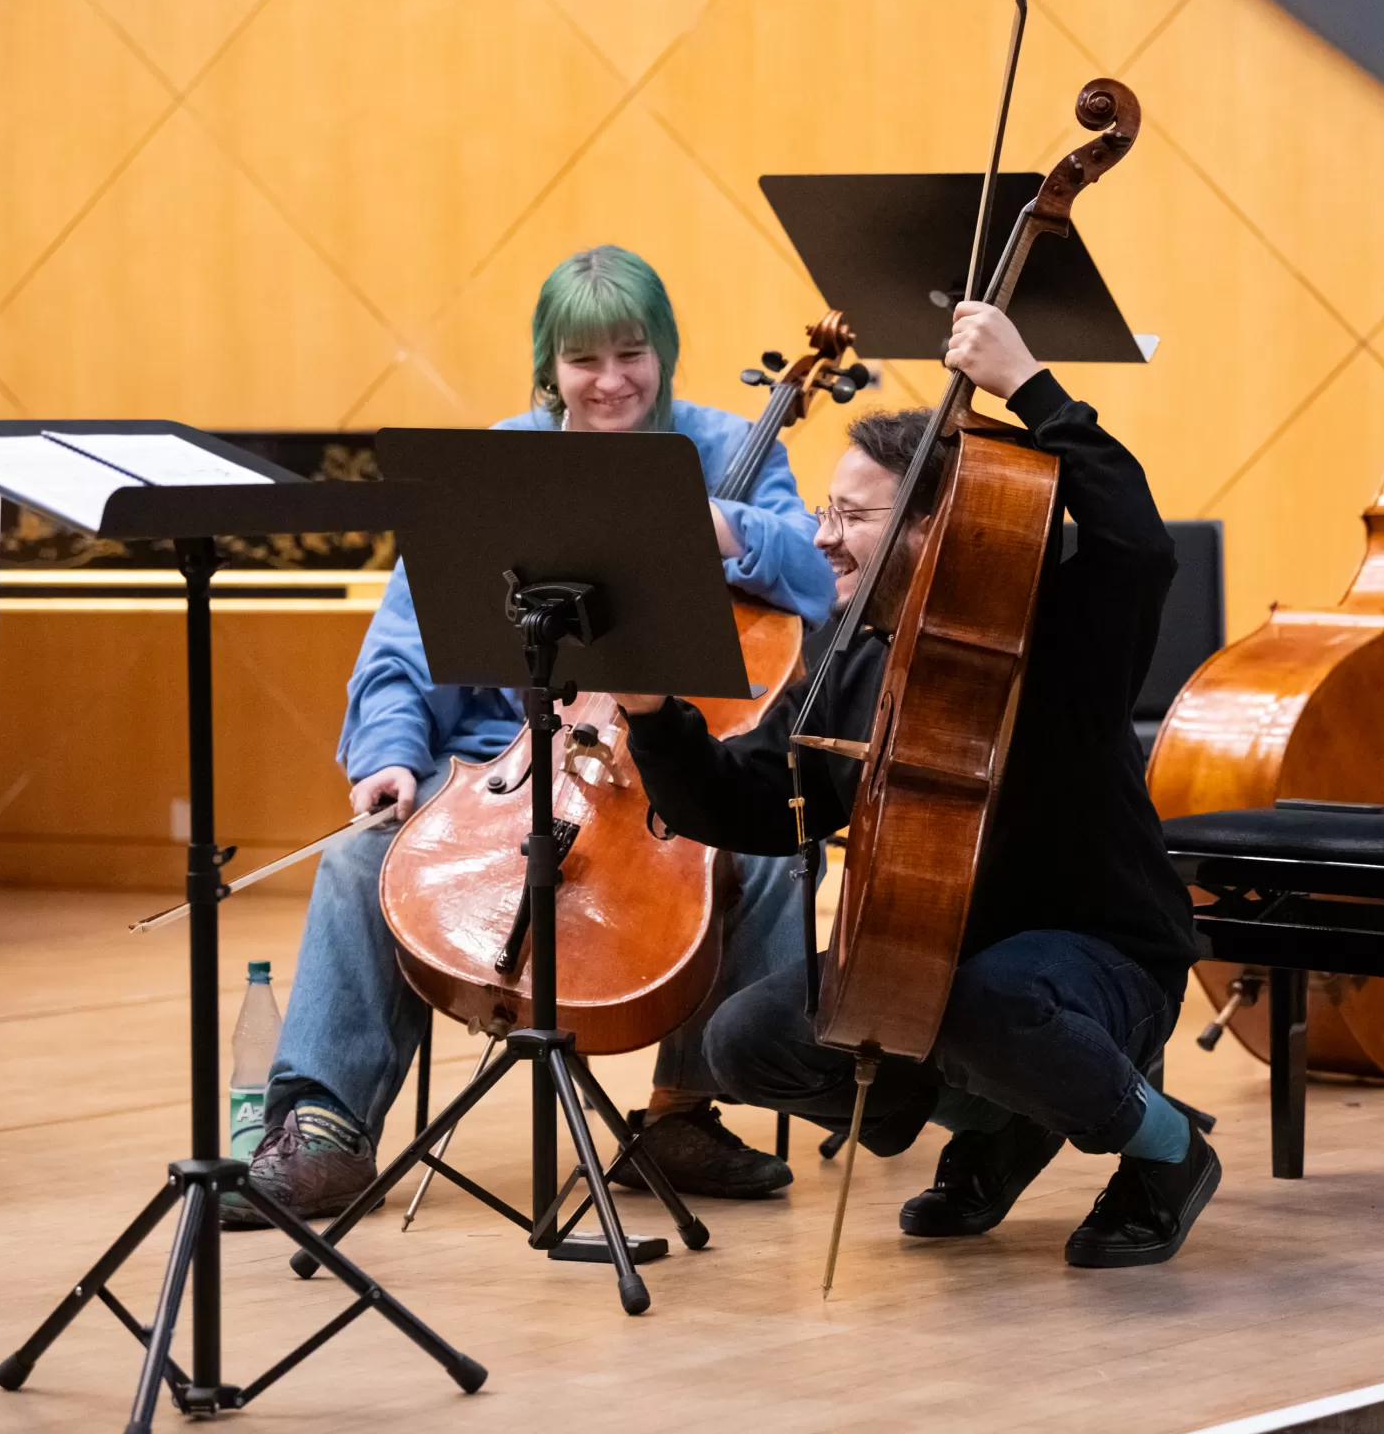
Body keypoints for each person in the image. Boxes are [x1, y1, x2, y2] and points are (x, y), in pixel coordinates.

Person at [224, 245, 835, 1227]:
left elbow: (822, 577)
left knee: (764, 859)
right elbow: (400, 641)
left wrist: (719, 527)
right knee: (360, 860)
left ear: (664, 352)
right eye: (583, 360)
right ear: (547, 366)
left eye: (631, 353)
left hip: (668, 767)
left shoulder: (727, 449)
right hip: (500, 764)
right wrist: (386, 752)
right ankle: (326, 1128)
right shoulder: (496, 463)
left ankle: (687, 1111)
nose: (610, 381)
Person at [613, 302, 1221, 1269]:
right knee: (746, 1040)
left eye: (852, 516)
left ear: (935, 524)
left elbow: (1140, 547)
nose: (819, 540)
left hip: (1105, 960)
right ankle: (1008, 1121)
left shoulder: (1059, 632)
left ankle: (1166, 1150)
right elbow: (757, 802)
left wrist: (1029, 385)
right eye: (823, 511)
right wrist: (656, 717)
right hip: (927, 966)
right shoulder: (848, 656)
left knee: (991, 1001)